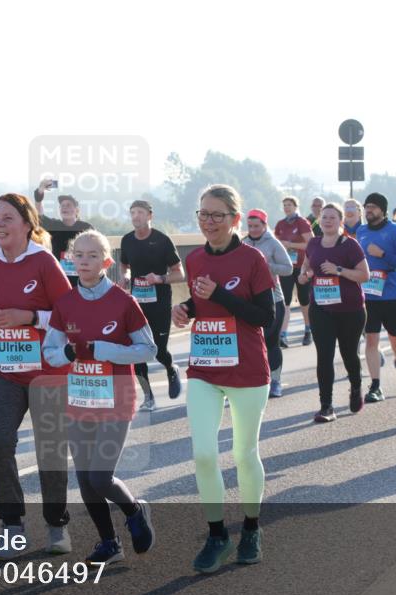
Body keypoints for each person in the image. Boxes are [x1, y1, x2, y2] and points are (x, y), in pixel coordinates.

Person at [0, 193, 73, 557]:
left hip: (47, 372)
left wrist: (30, 318)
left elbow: (70, 315)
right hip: (3, 369)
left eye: (7, 218)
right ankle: (11, 526)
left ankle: (56, 525)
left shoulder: (44, 262)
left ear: (27, 224)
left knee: (49, 449)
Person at [171, 184, 275, 573]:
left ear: (235, 219)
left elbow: (264, 317)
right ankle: (217, 535)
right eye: (203, 214)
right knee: (203, 453)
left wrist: (221, 295)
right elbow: (203, 302)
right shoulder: (195, 258)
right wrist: (186, 308)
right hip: (204, 368)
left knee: (244, 453)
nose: (209, 222)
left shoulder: (252, 259)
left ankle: (250, 528)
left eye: (217, 215)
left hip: (247, 369)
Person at [43, 230, 157, 566]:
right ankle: (109, 543)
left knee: (100, 477)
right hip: (80, 400)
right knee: (85, 480)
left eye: (93, 256)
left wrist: (103, 349)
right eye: (78, 255)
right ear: (70, 259)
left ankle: (134, 511)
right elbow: (49, 352)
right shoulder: (65, 304)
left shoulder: (124, 302)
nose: (84, 261)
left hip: (116, 399)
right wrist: (68, 352)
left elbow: (148, 349)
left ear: (106, 262)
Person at [298, 203, 370, 422]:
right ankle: (326, 407)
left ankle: (356, 387)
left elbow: (364, 275)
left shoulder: (350, 245)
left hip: (350, 310)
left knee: (349, 355)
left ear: (341, 221)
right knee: (324, 356)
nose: (328, 221)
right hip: (321, 309)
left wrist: (338, 270)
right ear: (319, 221)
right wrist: (305, 275)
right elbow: (306, 266)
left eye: (332, 217)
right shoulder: (313, 243)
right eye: (324, 217)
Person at [118, 200, 185, 410]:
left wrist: (159, 278)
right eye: (132, 213)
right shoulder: (127, 240)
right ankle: (148, 397)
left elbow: (180, 274)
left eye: (140, 212)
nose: (135, 216)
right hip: (137, 304)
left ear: (149, 215)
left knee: (159, 350)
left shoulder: (162, 240)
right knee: (137, 350)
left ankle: (171, 368)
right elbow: (124, 264)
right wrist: (125, 276)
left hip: (160, 303)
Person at [356, 192, 396, 403]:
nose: (368, 210)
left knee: (395, 337)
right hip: (369, 294)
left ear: (383, 210)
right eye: (366, 206)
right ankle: (375, 385)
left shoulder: (395, 231)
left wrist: (382, 255)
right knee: (371, 339)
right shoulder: (361, 231)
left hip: (393, 293)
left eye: (373, 206)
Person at [243, 209, 293, 398]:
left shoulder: (273, 243)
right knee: (251, 345)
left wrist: (266, 266)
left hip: (273, 299)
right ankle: (255, 382)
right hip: (250, 301)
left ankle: (275, 381)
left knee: (271, 343)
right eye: (250, 226)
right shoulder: (243, 243)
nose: (253, 230)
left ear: (265, 225)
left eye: (257, 226)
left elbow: (288, 268)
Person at [32, 179, 93, 286]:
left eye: (68, 205)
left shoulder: (86, 228)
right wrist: (40, 192)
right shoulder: (54, 226)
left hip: (82, 280)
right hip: (58, 279)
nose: (64, 207)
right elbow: (39, 213)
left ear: (77, 210)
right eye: (62, 205)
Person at [274, 196, 314, 347]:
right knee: (285, 300)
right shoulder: (280, 224)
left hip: (302, 266)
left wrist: (291, 244)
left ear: (296, 206)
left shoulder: (302, 222)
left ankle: (308, 329)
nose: (286, 207)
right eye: (284, 205)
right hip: (286, 266)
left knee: (304, 300)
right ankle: (283, 334)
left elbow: (311, 244)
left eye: (289, 205)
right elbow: (276, 244)